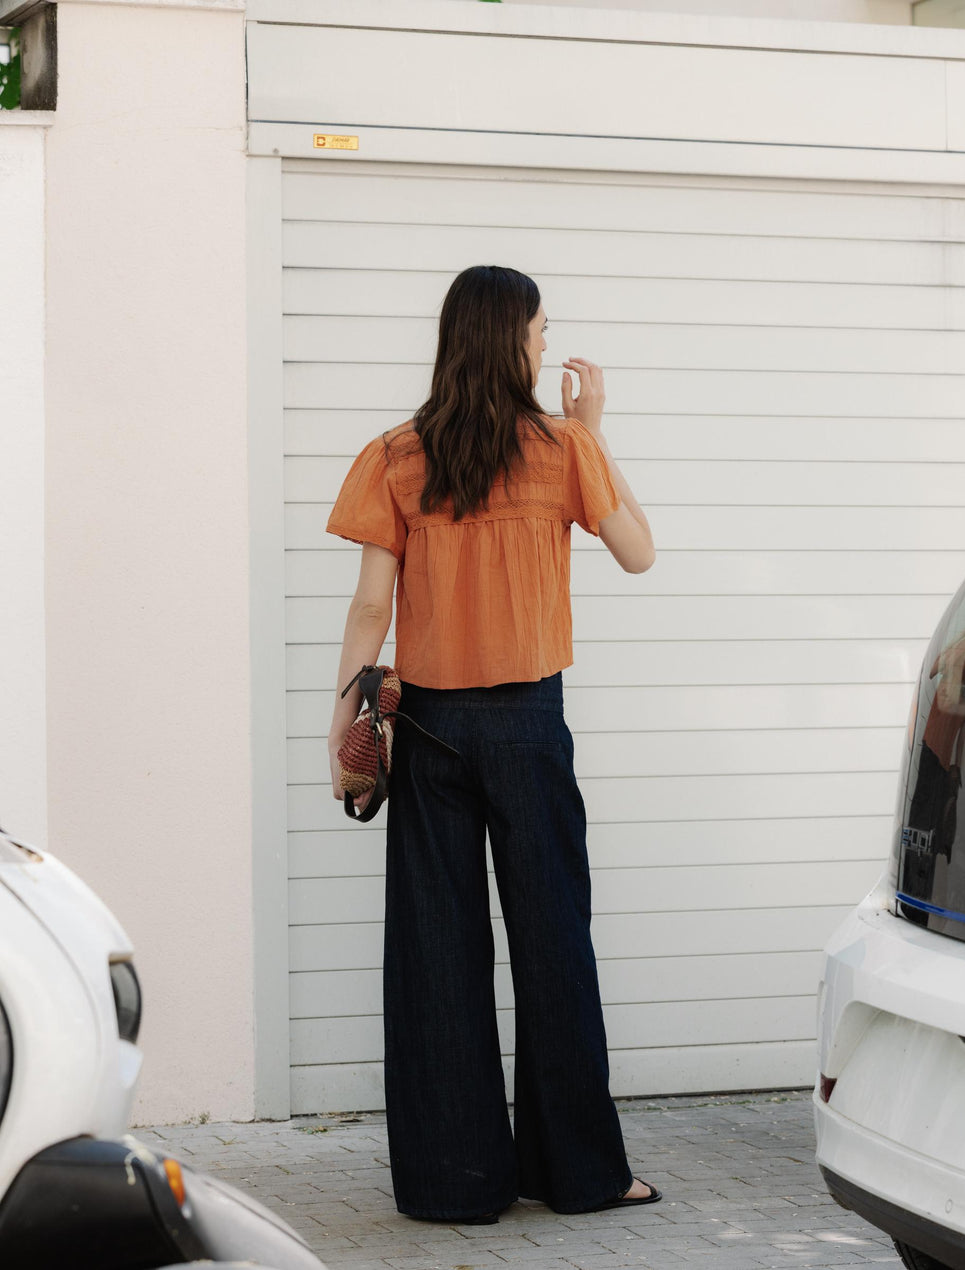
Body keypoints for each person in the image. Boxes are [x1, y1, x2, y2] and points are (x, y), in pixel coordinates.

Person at [325, 265, 657, 1225]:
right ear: (513, 339)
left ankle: (452, 1182)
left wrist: (340, 734)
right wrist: (595, 431)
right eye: (542, 331)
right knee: (554, 942)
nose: (549, 346)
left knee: (436, 951)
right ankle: (579, 1175)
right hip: (526, 726)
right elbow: (639, 551)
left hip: (426, 727)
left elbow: (367, 610)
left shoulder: (395, 455)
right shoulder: (562, 450)